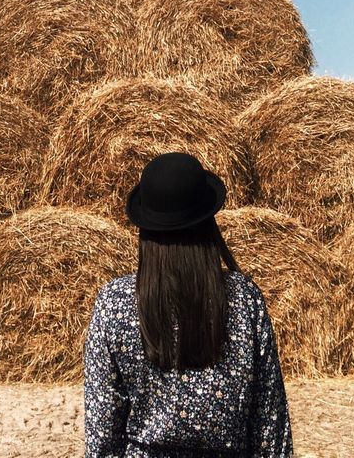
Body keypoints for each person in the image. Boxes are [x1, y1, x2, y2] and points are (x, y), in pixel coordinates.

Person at [83, 151, 294, 458]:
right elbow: (270, 426)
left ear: (145, 229)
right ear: (208, 223)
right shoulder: (245, 300)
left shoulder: (114, 303)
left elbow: (102, 432)